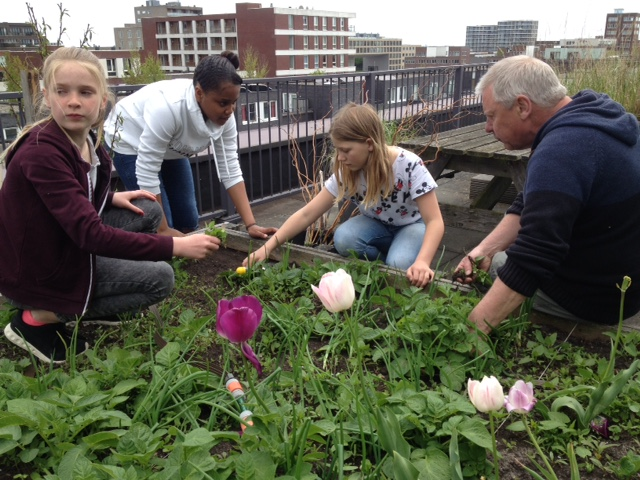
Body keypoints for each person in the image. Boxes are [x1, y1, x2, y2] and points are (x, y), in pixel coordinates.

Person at [0, 47, 221, 364]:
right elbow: (90, 235)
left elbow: (72, 199)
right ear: (47, 97)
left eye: (85, 92)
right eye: (62, 92)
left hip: (60, 242)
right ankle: (38, 318)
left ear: (102, 100)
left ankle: (91, 296)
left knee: (150, 210)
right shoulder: (43, 153)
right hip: (37, 268)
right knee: (160, 278)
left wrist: (110, 197)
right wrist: (175, 245)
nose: (73, 101)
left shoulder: (86, 140)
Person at [453, 55, 640, 334]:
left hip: (596, 300)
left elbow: (535, 254)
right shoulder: (595, 115)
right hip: (623, 285)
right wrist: (485, 249)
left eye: (492, 116)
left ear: (522, 106)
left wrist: (470, 332)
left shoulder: (562, 150)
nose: (488, 128)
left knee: (493, 271)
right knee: (493, 258)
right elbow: (536, 197)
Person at [244, 102, 445, 288]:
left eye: (346, 150)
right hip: (376, 225)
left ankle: (400, 261)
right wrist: (266, 248)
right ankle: (386, 267)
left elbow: (435, 221)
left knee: (399, 263)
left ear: (369, 143)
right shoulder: (348, 172)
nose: (340, 157)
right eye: (338, 150)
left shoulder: (409, 165)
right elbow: (307, 214)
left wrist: (422, 262)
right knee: (344, 238)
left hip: (412, 225)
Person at [103, 51, 277, 239]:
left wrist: (251, 224)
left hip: (169, 146)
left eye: (234, 102)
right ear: (199, 93)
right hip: (129, 139)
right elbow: (147, 171)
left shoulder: (226, 118)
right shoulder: (168, 108)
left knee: (187, 217)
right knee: (160, 221)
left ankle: (184, 256)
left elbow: (230, 169)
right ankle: (162, 260)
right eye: (223, 103)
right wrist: (162, 230)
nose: (230, 110)